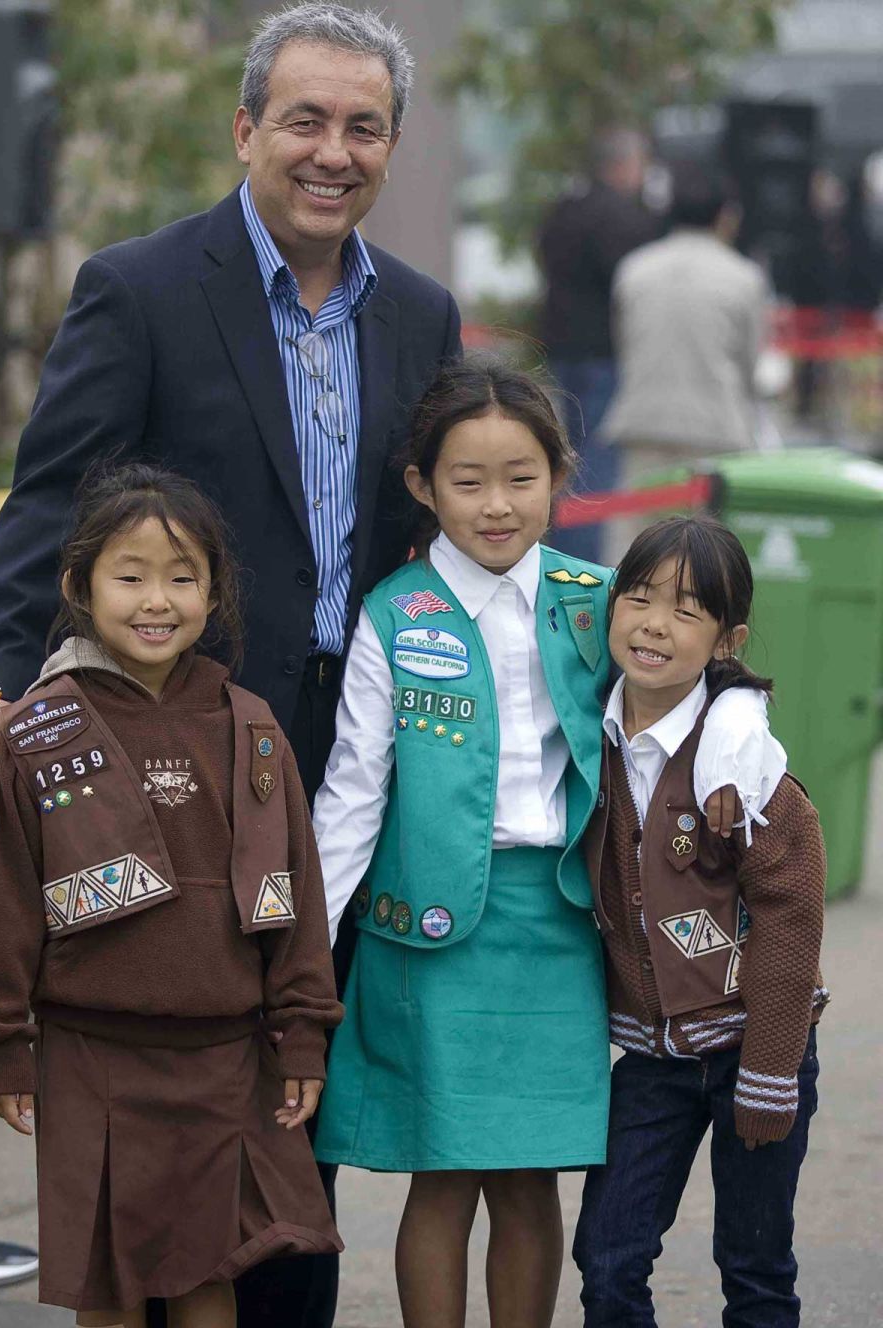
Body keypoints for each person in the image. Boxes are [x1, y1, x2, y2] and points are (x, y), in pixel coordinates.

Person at [0, 8, 460, 1323]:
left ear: (390, 146)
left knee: (305, 1065)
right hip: (184, 743)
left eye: (363, 127)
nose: (332, 151)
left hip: (353, 758)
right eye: (305, 120)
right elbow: (51, 503)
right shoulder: (144, 287)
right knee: (181, 1056)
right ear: (246, 129)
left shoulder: (424, 314)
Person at [308, 359, 786, 1328]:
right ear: (421, 485)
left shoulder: (599, 594)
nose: (496, 505)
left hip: (565, 930)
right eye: (468, 480)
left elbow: (706, 689)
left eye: (521, 477)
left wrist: (740, 732)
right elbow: (353, 794)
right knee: (438, 1178)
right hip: (427, 937)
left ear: (560, 477)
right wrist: (298, 959)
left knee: (530, 1179)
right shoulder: (393, 615)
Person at [0, 463, 343, 1328]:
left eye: (181, 577)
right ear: (79, 586)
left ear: (214, 591)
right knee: (111, 1287)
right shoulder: (40, 728)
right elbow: (6, 896)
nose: (155, 600)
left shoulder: (251, 724)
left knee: (210, 1279)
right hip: (91, 1056)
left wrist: (304, 1031)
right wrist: (1, 1041)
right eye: (129, 576)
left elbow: (299, 894)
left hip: (224, 1057)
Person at [573, 515, 827, 1328]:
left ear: (728, 639)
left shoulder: (743, 767)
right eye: (638, 597)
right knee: (607, 1259)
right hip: (651, 1061)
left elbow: (791, 919)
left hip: (753, 1047)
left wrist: (771, 1073)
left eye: (686, 610)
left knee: (754, 1267)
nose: (653, 624)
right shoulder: (590, 738)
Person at [601, 163, 769, 563]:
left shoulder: (634, 269)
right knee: (708, 562)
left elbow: (623, 346)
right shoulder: (744, 277)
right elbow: (750, 366)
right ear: (725, 216)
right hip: (716, 431)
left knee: (632, 556)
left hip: (643, 421)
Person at [538, 127, 659, 563]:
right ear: (624, 165)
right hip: (602, 353)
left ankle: (559, 547)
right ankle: (580, 561)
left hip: (560, 346)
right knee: (596, 459)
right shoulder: (621, 218)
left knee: (569, 450)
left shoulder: (564, 209)